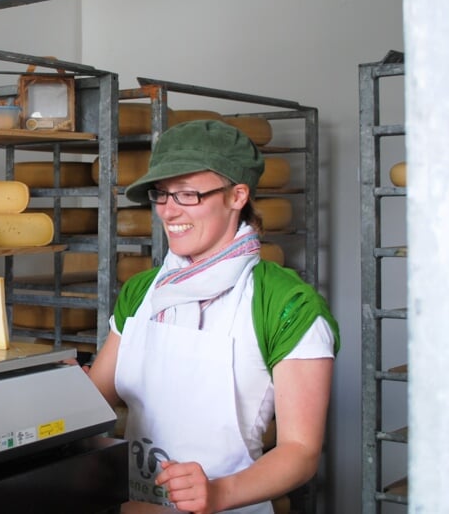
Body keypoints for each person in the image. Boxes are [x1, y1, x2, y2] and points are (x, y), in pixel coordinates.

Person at [86, 120, 339, 514]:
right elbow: (98, 397)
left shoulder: (285, 303)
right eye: (162, 194)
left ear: (237, 195)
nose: (169, 211)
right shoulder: (141, 292)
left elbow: (301, 451)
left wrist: (218, 493)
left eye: (188, 194)